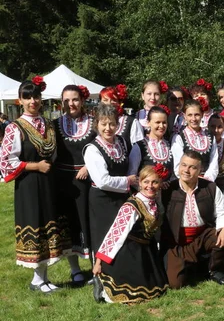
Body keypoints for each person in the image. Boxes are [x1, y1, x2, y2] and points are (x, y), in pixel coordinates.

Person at [0, 77, 71, 293]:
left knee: (48, 224)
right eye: (27, 97)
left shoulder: (48, 124)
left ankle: (44, 277)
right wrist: (35, 167)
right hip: (30, 184)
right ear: (19, 100)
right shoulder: (15, 127)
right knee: (36, 223)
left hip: (49, 183)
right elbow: (5, 161)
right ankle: (36, 279)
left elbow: (55, 153)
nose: (33, 101)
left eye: (36, 96)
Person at [92, 166, 168, 303]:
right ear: (139, 183)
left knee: (158, 289)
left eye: (155, 182)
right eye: (146, 182)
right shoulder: (131, 206)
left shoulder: (155, 202)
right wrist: (98, 263)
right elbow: (115, 234)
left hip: (146, 250)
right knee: (135, 294)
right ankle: (101, 282)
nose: (150, 186)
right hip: (128, 251)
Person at [161, 151, 224, 288]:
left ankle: (213, 269)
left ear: (200, 170)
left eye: (192, 167)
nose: (186, 170)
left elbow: (223, 211)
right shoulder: (168, 189)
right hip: (177, 244)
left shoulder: (210, 187)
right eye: (184, 165)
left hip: (202, 237)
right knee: (176, 284)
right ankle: (195, 266)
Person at [54, 84, 95, 286]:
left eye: (75, 99)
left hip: (88, 180)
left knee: (90, 222)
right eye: (67, 100)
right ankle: (75, 269)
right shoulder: (54, 124)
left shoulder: (95, 123)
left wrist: (89, 165)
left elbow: (102, 147)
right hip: (64, 182)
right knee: (68, 224)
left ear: (83, 100)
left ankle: (97, 267)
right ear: (62, 102)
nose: (71, 104)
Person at [83, 104, 137, 254]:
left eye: (112, 123)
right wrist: (128, 181)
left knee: (124, 237)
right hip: (103, 200)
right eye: (104, 124)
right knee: (105, 237)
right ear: (97, 125)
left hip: (122, 198)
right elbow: (102, 181)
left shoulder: (122, 142)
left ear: (117, 125)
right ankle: (103, 275)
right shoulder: (92, 149)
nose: (108, 128)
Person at [171, 99, 219, 182]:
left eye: (197, 114)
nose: (193, 118)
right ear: (184, 116)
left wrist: (207, 180)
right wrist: (193, 179)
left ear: (202, 115)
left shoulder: (210, 136)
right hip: (186, 181)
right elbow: (178, 165)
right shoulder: (179, 137)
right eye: (190, 115)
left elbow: (214, 162)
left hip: (206, 181)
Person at [128, 106, 174, 181]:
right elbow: (132, 176)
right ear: (148, 122)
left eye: (164, 122)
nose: (161, 126)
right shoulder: (140, 146)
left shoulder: (169, 145)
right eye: (157, 122)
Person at [99, 85, 144, 149]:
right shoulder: (96, 121)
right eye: (105, 100)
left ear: (119, 102)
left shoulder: (131, 123)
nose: (109, 103)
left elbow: (139, 149)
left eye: (113, 100)